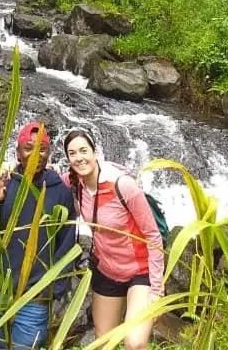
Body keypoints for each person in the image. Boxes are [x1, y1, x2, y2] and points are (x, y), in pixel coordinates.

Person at [0, 121, 77, 349]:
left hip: (35, 298)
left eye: (42, 149)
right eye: (29, 148)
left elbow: (67, 245)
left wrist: (52, 290)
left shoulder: (59, 192)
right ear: (18, 152)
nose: (36, 154)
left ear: (49, 154)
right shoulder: (3, 182)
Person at [63, 129, 164, 350]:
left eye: (83, 150)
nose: (79, 157)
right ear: (68, 160)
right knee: (102, 341)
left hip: (140, 271)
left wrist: (157, 291)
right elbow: (45, 180)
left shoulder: (122, 185)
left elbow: (153, 235)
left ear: (95, 151)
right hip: (107, 270)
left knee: (135, 343)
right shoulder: (74, 184)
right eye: (72, 153)